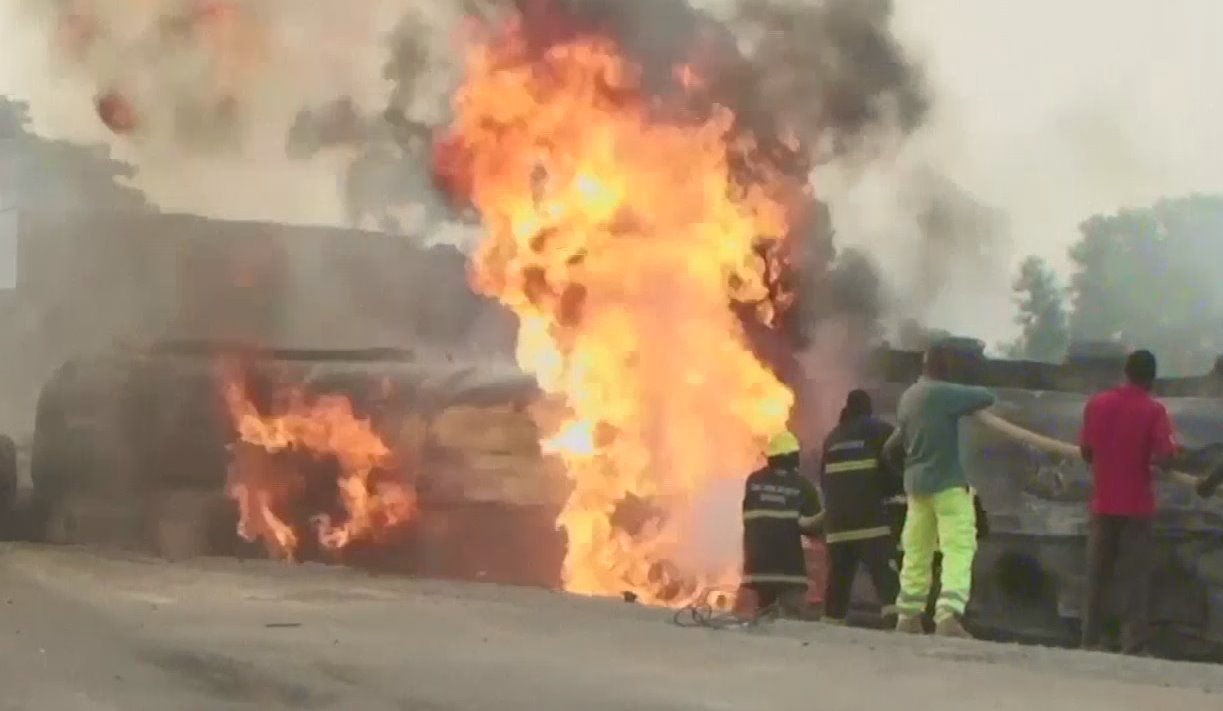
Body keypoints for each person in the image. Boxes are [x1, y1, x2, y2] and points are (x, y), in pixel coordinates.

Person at [884, 344, 996, 637]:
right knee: (958, 547)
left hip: (916, 488)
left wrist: (906, 473)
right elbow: (987, 396)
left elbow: (892, 449)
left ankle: (908, 616)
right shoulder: (943, 393)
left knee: (916, 551)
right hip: (947, 485)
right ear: (946, 368)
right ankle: (948, 616)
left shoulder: (908, 397)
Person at [1078, 349, 1178, 655]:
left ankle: (1090, 639)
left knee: (1097, 575)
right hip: (1137, 506)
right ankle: (1133, 644)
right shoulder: (1153, 410)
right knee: (1135, 579)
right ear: (1151, 378)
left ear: (1125, 372)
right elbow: (1165, 458)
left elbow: (1085, 451)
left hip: (1103, 501)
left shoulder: (1097, 404)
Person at [816, 389, 901, 626]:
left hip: (837, 526)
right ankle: (897, 629)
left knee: (838, 584)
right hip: (870, 522)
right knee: (887, 580)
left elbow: (824, 481)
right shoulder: (880, 430)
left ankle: (830, 627)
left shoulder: (831, 437)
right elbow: (899, 462)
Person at [741, 430, 821, 619]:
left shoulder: (753, 481)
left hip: (756, 570)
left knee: (762, 619)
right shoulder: (802, 486)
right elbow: (814, 528)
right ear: (794, 457)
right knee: (794, 622)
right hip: (789, 571)